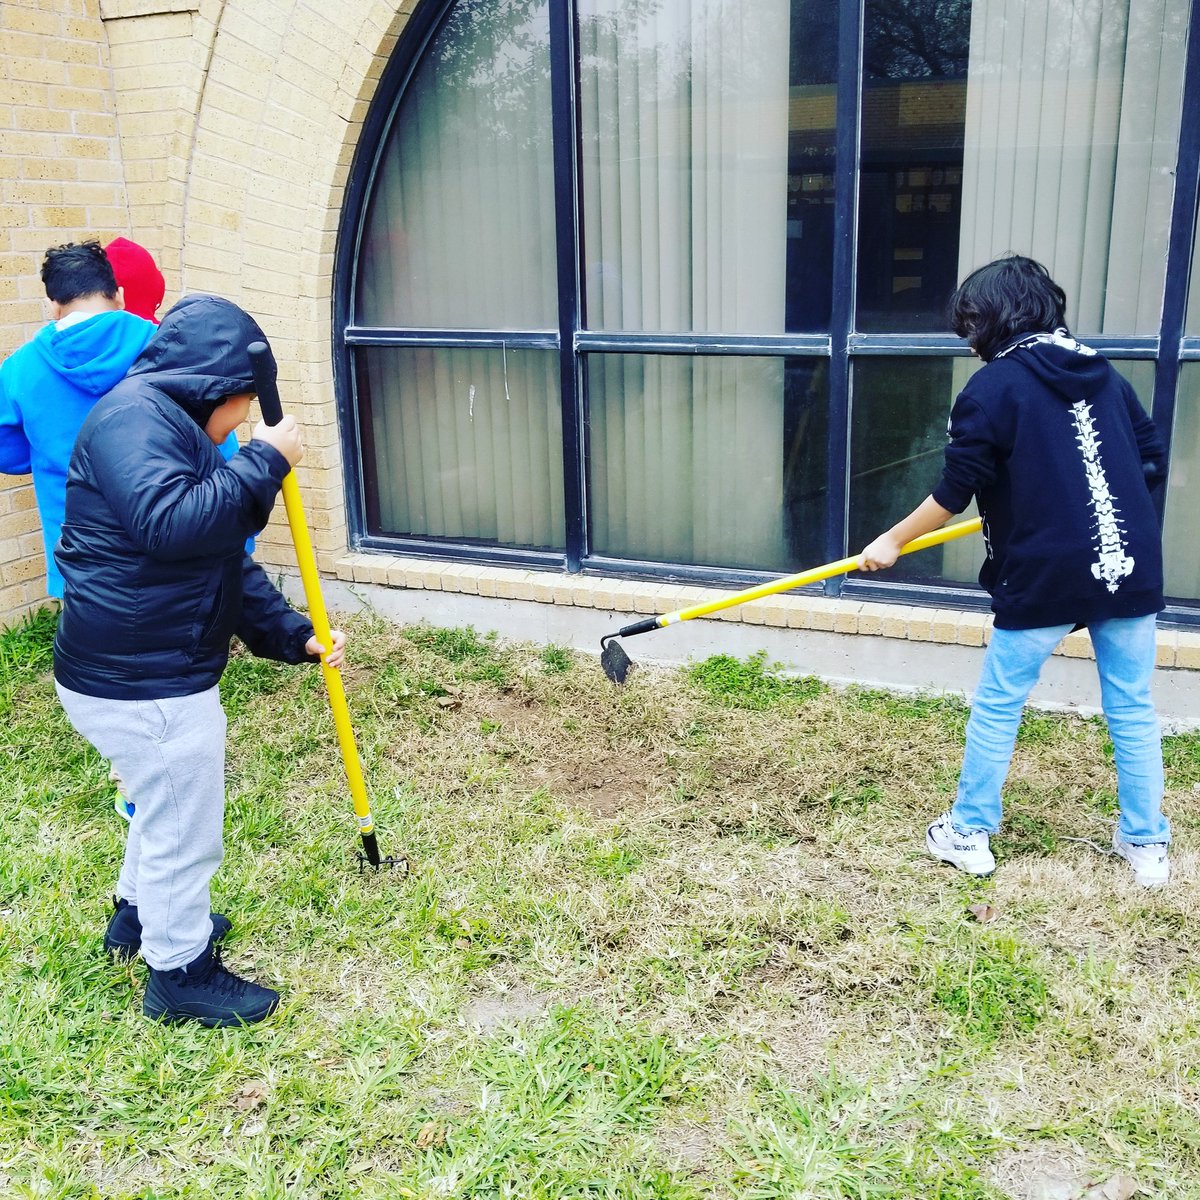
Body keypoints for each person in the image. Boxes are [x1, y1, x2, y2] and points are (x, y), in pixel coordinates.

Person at [53, 293, 346, 1027]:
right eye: (243, 409)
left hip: (143, 664)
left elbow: (219, 556)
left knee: (162, 803)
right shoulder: (135, 421)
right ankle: (180, 972)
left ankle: (137, 918)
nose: (242, 423)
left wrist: (291, 632)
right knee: (186, 827)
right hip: (140, 677)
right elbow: (176, 527)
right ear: (215, 391)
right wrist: (265, 462)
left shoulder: (165, 424)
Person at [858, 255, 1170, 888]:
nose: (968, 340)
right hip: (1126, 564)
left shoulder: (992, 388)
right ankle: (1146, 847)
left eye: (970, 323)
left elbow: (956, 491)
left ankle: (969, 833)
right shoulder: (1105, 375)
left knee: (1000, 704)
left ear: (996, 318)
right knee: (1133, 708)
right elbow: (1151, 461)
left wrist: (890, 541)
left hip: (1044, 571)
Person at [0, 241, 155, 600]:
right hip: (166, 532)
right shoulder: (162, 345)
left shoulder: (19, 368)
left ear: (54, 303)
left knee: (94, 648)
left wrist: (48, 450)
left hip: (77, 546)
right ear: (118, 294)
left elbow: (7, 450)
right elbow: (212, 436)